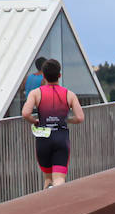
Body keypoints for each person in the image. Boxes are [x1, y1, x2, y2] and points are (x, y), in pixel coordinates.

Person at [22, 58, 84, 188]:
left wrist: (36, 121)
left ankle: (48, 200)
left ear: (43, 76)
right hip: (61, 138)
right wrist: (67, 120)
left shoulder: (35, 93)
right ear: (59, 75)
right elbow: (80, 118)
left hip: (43, 139)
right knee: (59, 178)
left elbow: (25, 113)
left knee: (47, 178)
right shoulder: (69, 94)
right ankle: (58, 197)